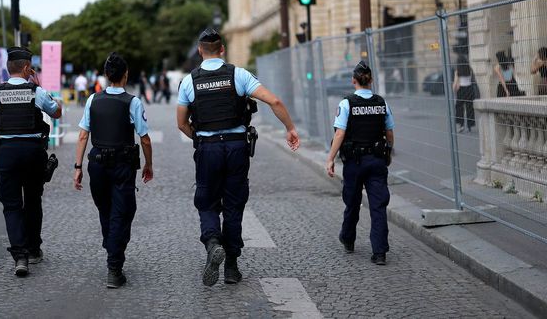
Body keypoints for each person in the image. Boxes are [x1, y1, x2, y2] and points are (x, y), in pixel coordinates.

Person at [176, 28, 300, 286]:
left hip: (208, 148)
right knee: (234, 204)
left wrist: (200, 139)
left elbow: (181, 123)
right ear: (222, 49)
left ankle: (212, 244)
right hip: (235, 147)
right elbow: (274, 101)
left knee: (207, 201)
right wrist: (290, 129)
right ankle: (231, 266)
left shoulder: (189, 81)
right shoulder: (239, 75)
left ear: (200, 51)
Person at [0, 46, 62, 277]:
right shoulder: (37, 92)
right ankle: (33, 250)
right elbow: (57, 113)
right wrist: (40, 85)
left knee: (12, 205)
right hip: (33, 153)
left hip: (7, 154)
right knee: (32, 201)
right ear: (26, 68)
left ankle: (20, 257)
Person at [73, 52, 154, 289]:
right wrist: (149, 164)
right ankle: (114, 265)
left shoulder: (92, 100)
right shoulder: (133, 102)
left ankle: (112, 244)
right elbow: (145, 139)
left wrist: (77, 167)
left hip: (96, 163)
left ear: (107, 75)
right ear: (125, 75)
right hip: (122, 165)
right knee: (124, 211)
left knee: (106, 209)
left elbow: (82, 134)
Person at [325, 61, 394, 266]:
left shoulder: (346, 103)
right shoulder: (382, 103)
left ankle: (348, 238)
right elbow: (389, 133)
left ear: (353, 80)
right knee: (378, 206)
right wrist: (388, 152)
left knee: (352, 202)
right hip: (376, 160)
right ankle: (379, 252)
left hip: (354, 162)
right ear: (371, 80)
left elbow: (340, 133)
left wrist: (330, 159)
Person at [453, 56, 477, 133]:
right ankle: (470, 125)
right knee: (469, 107)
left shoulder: (457, 71)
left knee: (459, 107)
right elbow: (473, 79)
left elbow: (456, 82)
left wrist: (454, 89)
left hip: (461, 90)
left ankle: (461, 125)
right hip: (469, 89)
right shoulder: (470, 69)